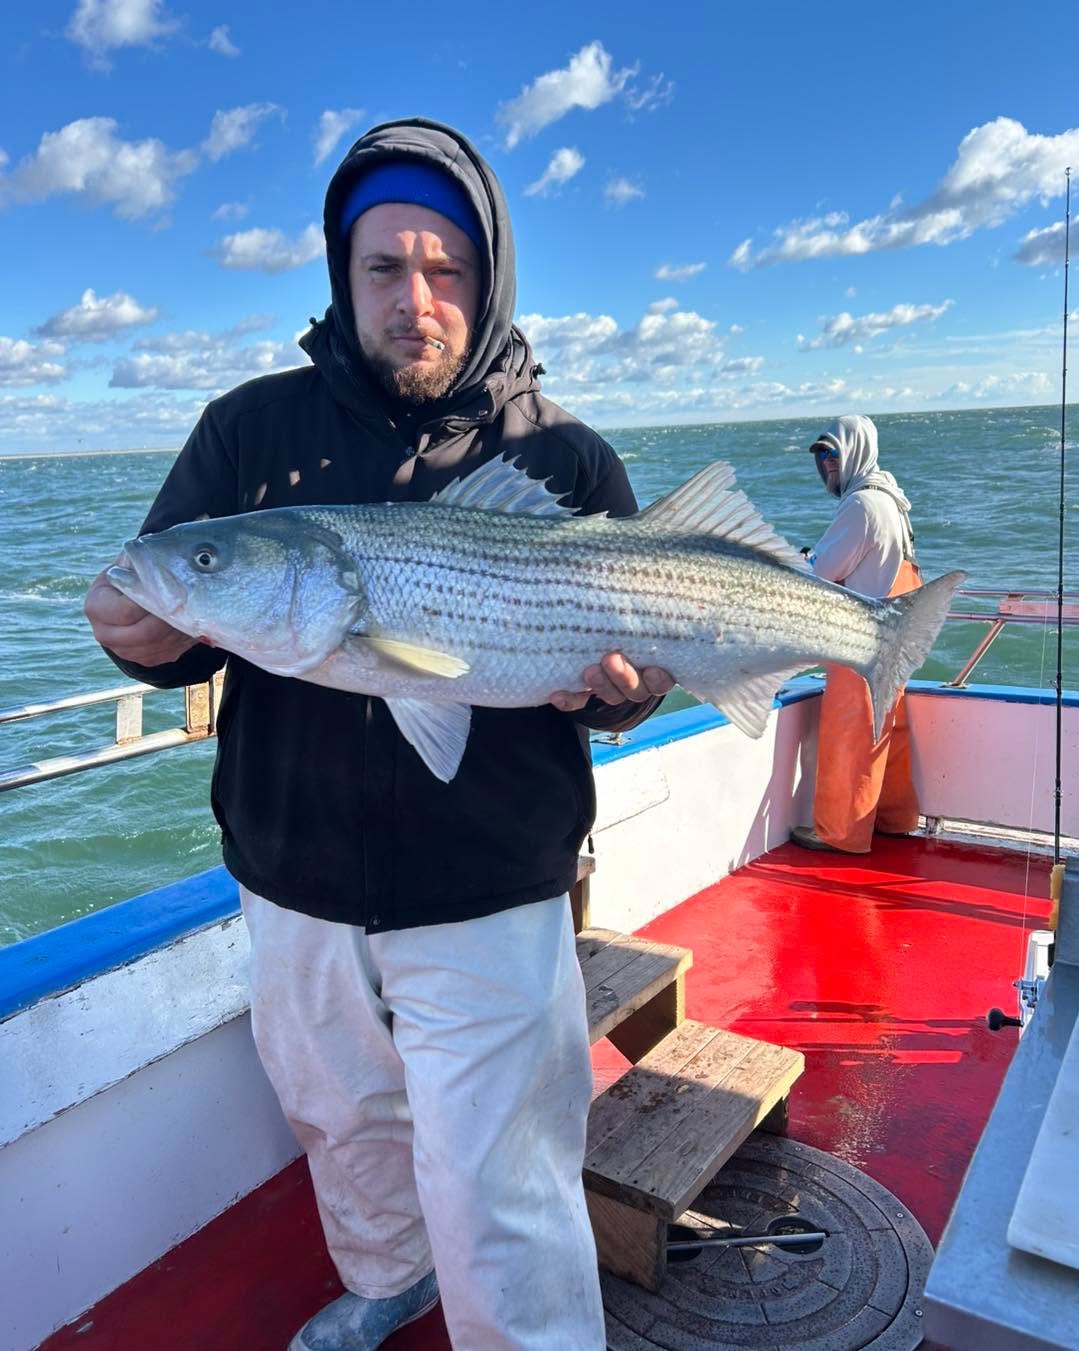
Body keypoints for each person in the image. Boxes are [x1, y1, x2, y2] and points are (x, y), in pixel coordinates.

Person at [84, 118, 674, 1351]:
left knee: (503, 1183)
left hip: (488, 884)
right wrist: (137, 632)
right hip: (291, 875)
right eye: (384, 267)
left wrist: (624, 690)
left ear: (489, 278)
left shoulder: (564, 454)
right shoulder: (245, 431)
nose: (415, 299)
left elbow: (637, 671)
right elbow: (176, 608)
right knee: (342, 1119)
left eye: (445, 268)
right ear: (340, 273)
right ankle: (390, 1274)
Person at [790, 414, 922, 854]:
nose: (827, 462)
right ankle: (893, 818)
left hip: (860, 633)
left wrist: (801, 559)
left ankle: (841, 833)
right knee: (888, 728)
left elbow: (820, 571)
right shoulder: (892, 499)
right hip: (894, 630)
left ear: (855, 451)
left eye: (833, 452)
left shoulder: (861, 505)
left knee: (851, 731)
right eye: (821, 454)